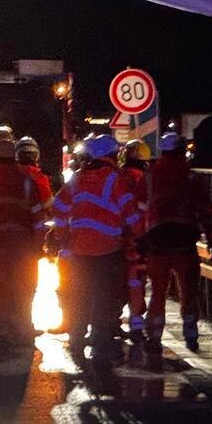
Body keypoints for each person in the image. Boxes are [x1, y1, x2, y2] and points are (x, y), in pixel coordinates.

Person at [50, 133, 141, 373]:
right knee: (104, 300)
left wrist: (64, 236)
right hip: (107, 250)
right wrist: (140, 237)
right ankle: (101, 348)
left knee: (79, 296)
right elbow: (131, 213)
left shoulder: (78, 179)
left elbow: (58, 207)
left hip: (78, 250)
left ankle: (76, 340)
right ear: (110, 155)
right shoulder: (117, 180)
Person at [142, 132, 212, 356]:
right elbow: (205, 209)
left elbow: (139, 205)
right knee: (188, 292)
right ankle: (191, 334)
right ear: (182, 150)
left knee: (157, 292)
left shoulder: (150, 175)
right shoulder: (191, 176)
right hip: (184, 241)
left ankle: (154, 337)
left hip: (157, 240)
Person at [0, 136, 47, 349]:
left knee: (2, 286)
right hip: (23, 242)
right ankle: (24, 327)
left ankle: (2, 328)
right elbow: (38, 214)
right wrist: (39, 244)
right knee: (25, 286)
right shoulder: (27, 179)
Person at [119, 140, 153, 341]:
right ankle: (137, 325)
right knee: (136, 280)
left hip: (115, 236)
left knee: (118, 280)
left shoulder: (118, 176)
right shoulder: (144, 179)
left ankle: (111, 323)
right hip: (139, 236)